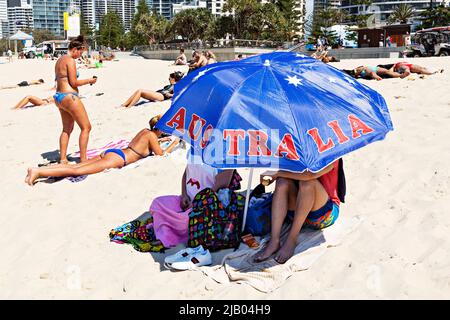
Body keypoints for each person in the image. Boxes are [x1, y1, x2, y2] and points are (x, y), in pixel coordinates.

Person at [25, 115, 180, 186]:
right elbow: (161, 154)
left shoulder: (146, 132)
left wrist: (161, 140)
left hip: (115, 152)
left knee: (77, 167)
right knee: (76, 171)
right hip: (118, 159)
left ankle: (38, 170)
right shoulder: (152, 136)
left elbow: (146, 144)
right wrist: (174, 143)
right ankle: (38, 172)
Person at [253, 160, 343, 264]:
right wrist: (275, 174)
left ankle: (291, 239)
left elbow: (311, 175)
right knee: (282, 181)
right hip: (297, 212)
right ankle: (274, 241)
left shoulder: (330, 151)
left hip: (324, 215)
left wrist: (276, 173)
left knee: (307, 183)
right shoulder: (300, 148)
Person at [53, 35, 97, 164]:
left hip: (59, 97)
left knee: (67, 129)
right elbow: (74, 82)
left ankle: (63, 159)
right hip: (69, 97)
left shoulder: (59, 60)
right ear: (75, 49)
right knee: (86, 127)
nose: (80, 55)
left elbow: (59, 80)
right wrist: (89, 80)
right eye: (80, 52)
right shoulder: (70, 60)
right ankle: (83, 160)